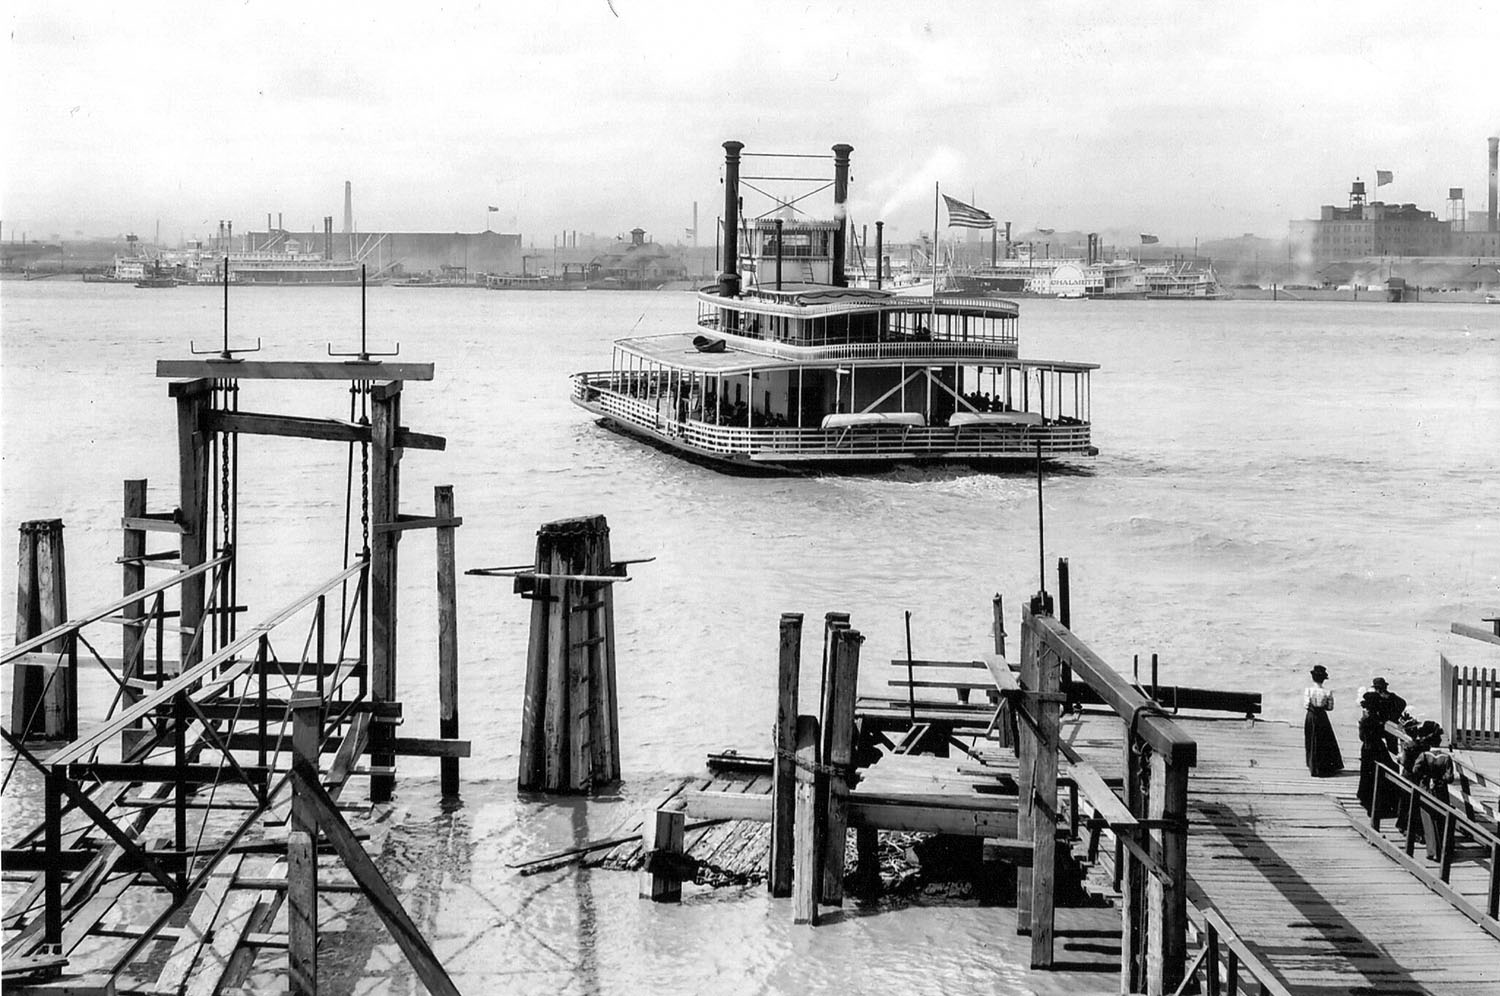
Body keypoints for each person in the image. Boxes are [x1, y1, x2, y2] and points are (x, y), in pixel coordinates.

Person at [1356, 691, 1397, 817]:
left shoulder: (1365, 719)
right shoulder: (1378, 719)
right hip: (1377, 748)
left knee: (1368, 774)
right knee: (1386, 771)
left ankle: (1367, 800)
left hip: (1367, 748)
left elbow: (1362, 737)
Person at [1303, 665, 1343, 776]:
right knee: (1324, 741)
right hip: (1322, 717)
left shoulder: (1308, 690)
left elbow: (1306, 705)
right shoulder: (1328, 692)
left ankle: (1312, 765)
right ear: (1323, 679)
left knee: (1311, 739)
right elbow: (1330, 708)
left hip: (1311, 716)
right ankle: (1324, 766)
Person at [1370, 676, 1408, 753]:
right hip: (1386, 724)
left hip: (1388, 725)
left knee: (1391, 747)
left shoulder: (1389, 697)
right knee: (1390, 746)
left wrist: (1395, 714)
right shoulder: (1382, 697)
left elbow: (1402, 703)